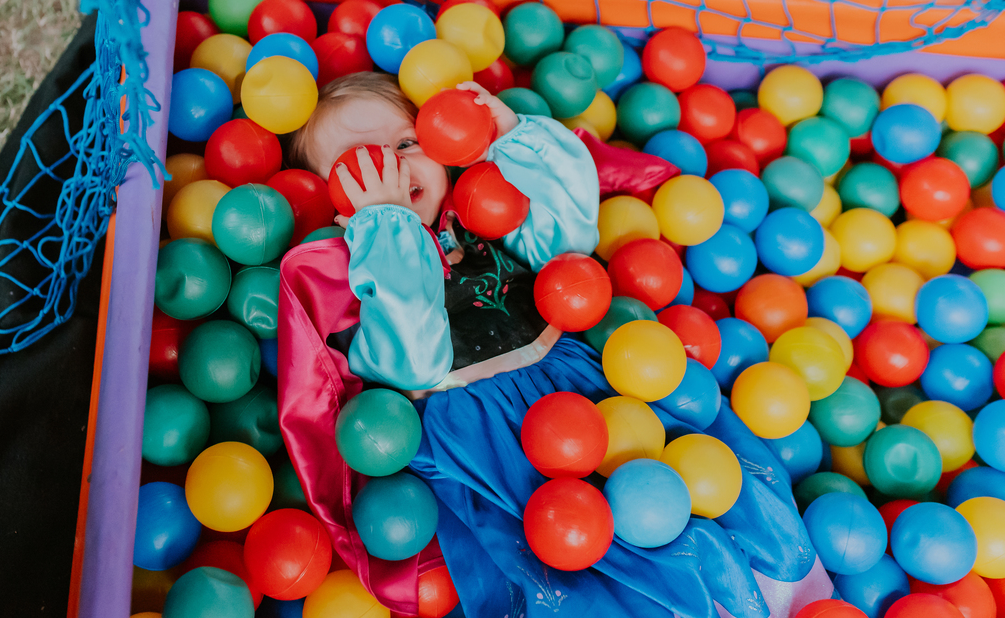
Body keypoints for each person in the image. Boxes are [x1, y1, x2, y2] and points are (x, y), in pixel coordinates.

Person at [277, 72, 825, 618]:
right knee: (568, 560)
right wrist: (386, 224)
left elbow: (568, 239)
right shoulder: (354, 281)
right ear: (334, 205)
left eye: (405, 144)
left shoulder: (481, 218)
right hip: (485, 446)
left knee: (673, 495)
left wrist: (513, 135)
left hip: (586, 396)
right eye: (361, 166)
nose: (392, 170)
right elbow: (416, 359)